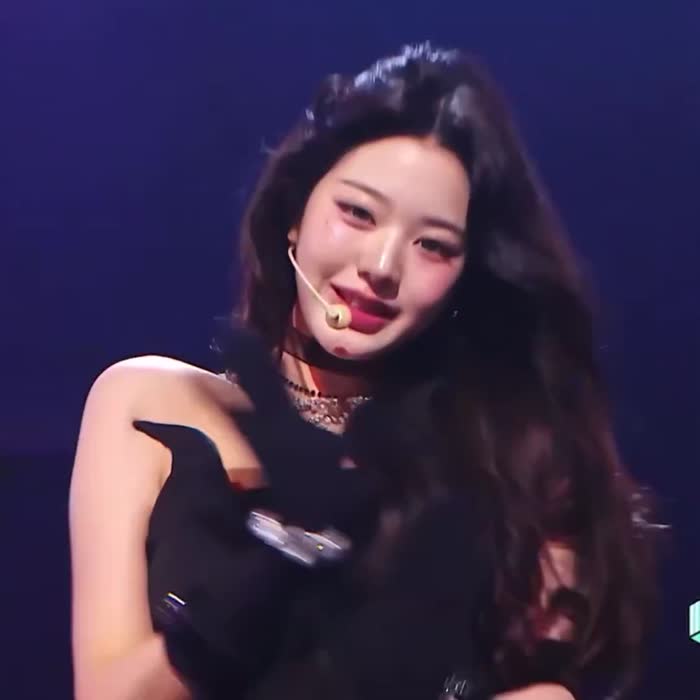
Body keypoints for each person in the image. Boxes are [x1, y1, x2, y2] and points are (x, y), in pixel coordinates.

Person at [69, 43, 658, 700]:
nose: (383, 265)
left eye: (433, 245)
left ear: (464, 279)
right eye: (358, 212)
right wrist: (279, 556)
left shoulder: (487, 461)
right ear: (294, 215)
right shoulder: (148, 399)